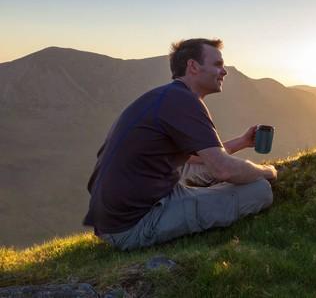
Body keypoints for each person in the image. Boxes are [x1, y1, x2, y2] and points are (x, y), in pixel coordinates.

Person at [83, 38, 277, 250]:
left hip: (114, 217)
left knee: (206, 168)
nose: (225, 72)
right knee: (259, 190)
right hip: (133, 225)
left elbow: (200, 157)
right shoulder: (184, 101)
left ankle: (209, 195)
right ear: (193, 66)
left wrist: (241, 142)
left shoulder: (165, 96)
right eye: (218, 64)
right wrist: (268, 171)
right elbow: (223, 169)